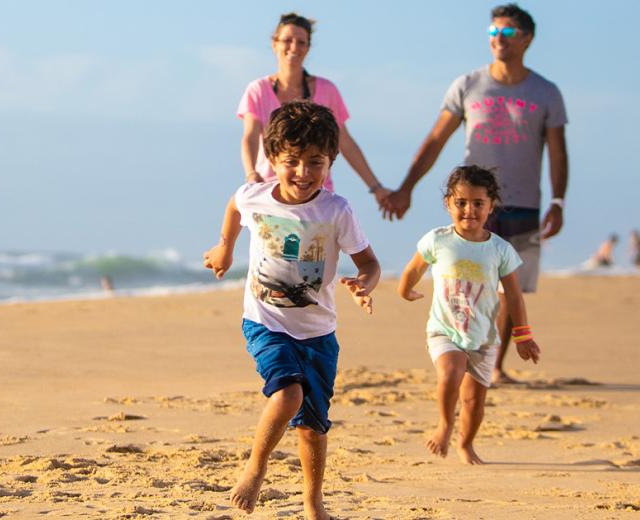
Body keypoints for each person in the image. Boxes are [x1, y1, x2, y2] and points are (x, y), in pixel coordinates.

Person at [203, 101, 380, 518]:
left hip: (319, 331)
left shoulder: (336, 211)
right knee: (288, 393)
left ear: (331, 161)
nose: (303, 172)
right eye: (292, 161)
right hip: (266, 323)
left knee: (313, 424)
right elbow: (233, 207)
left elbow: (369, 263)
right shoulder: (255, 197)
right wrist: (224, 248)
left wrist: (364, 285)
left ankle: (313, 502)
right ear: (272, 159)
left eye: (315, 162)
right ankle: (255, 467)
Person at [383, 4, 567, 385]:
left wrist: (558, 200)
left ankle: (492, 367)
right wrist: (406, 188)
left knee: (509, 287)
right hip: (474, 203)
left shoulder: (545, 92)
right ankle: (462, 352)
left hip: (523, 203)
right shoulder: (468, 85)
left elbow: (558, 150)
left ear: (527, 39)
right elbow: (436, 139)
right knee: (475, 281)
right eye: (493, 32)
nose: (498, 38)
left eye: (509, 33)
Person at [398, 165, 541, 464]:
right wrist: (405, 290)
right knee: (451, 371)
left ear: (491, 206)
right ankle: (444, 425)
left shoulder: (500, 250)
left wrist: (523, 335)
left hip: (484, 337)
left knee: (474, 401)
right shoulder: (437, 240)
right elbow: (413, 269)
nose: (469, 210)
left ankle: (466, 443)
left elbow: (513, 295)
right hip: (444, 329)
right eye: (461, 202)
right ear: (448, 203)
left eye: (478, 203)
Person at [237, 12, 390, 203]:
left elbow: (345, 142)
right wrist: (251, 174)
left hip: (316, 193)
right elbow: (250, 136)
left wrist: (376, 188)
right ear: (274, 43)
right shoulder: (258, 90)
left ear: (308, 48)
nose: (294, 47)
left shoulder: (327, 90)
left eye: (301, 42)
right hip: (271, 193)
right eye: (287, 40)